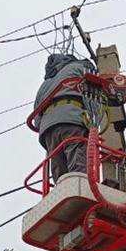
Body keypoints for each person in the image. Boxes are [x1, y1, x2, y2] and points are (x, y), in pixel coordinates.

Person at [31, 52, 96, 182]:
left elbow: (36, 117)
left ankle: (63, 190)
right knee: (77, 160)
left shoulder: (45, 85)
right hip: (72, 117)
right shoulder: (78, 67)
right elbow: (95, 87)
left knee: (59, 168)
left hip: (48, 128)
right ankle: (80, 187)